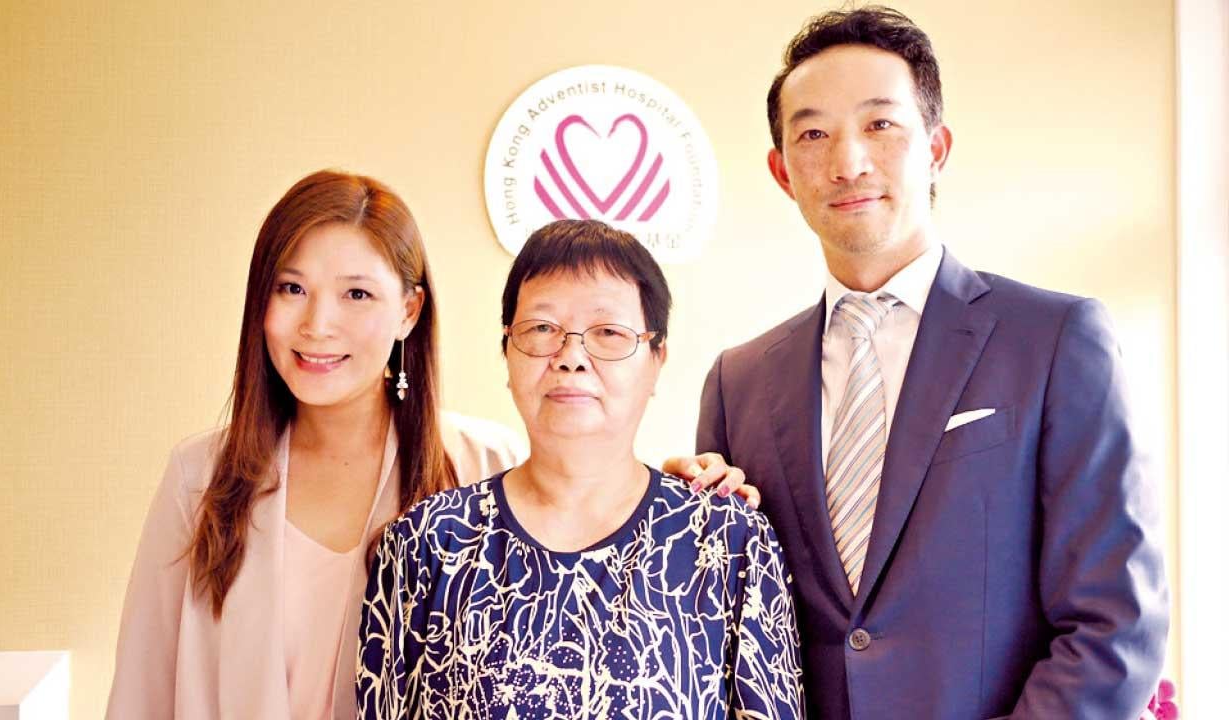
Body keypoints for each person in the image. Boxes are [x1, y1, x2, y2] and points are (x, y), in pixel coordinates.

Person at [679, 7, 1168, 719]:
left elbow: (1115, 624)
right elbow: (724, 631)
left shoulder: (1055, 339)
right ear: (782, 172)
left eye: (880, 124)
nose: (848, 163)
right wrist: (670, 517)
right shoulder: (739, 382)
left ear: (936, 147)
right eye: (813, 134)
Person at [106, 170, 524, 720]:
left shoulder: (489, 469)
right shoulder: (199, 477)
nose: (317, 325)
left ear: (408, 311)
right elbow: (141, 696)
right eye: (292, 289)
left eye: (356, 294)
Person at [356, 219, 805, 719]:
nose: (571, 356)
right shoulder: (427, 542)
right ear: (507, 350)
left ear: (657, 359)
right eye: (541, 329)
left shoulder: (729, 542)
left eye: (608, 332)